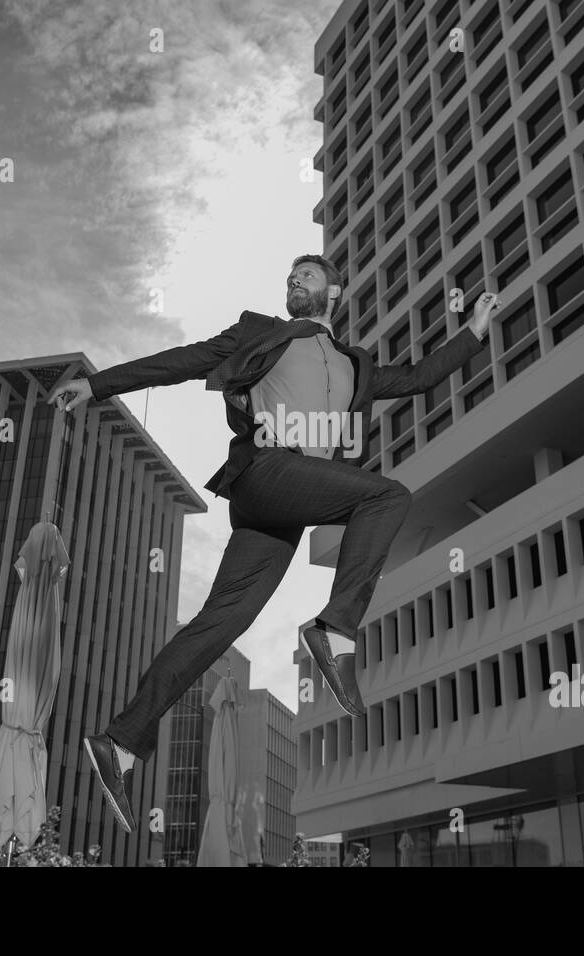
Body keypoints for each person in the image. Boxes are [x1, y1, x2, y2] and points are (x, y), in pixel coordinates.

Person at [48, 254, 500, 832]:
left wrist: (473, 334)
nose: (294, 282)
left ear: (333, 292)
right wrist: (99, 384)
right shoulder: (259, 333)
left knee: (220, 624)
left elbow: (416, 379)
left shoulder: (356, 365)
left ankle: (121, 742)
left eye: (306, 276)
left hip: (283, 510)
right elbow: (182, 361)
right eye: (290, 277)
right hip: (265, 472)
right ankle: (334, 629)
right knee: (387, 497)